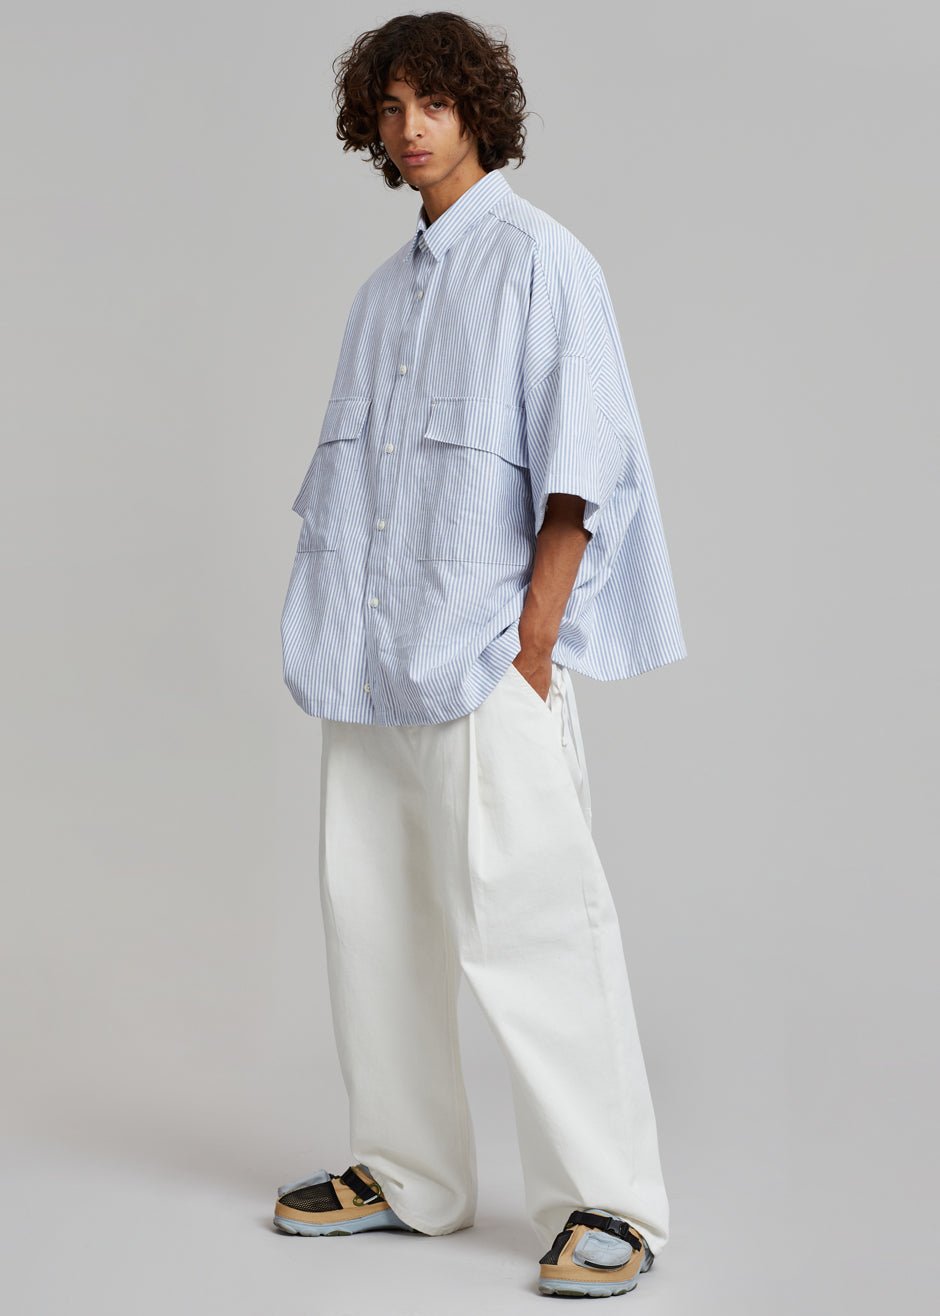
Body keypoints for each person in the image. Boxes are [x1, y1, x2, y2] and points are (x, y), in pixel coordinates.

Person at [274, 11, 687, 1300]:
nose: (411, 130)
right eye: (390, 109)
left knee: (540, 931)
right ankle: (410, 1175)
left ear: (477, 112)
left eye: (433, 104)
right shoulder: (377, 300)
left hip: (483, 663)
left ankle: (609, 1203)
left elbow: (583, 471)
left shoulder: (545, 264)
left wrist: (534, 648)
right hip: (365, 667)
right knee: (374, 925)